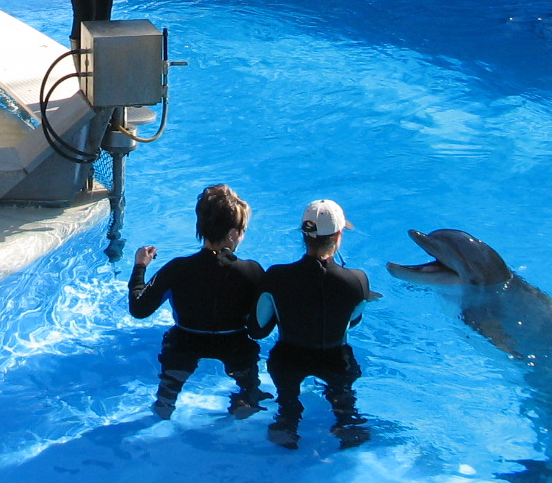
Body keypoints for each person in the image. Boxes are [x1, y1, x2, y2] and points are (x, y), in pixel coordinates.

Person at [128, 184, 269, 420]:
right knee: (247, 371)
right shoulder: (252, 271)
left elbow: (139, 309)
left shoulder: (178, 268)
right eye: (243, 229)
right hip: (234, 341)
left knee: (173, 371)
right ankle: (247, 396)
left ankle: (166, 399)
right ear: (233, 234)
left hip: (186, 339)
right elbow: (259, 327)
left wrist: (140, 266)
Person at [250, 199, 380, 451]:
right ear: (338, 235)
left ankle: (287, 422)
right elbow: (352, 322)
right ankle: (346, 423)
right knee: (344, 401)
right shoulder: (358, 280)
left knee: (287, 402)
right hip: (335, 359)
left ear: (304, 235)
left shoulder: (277, 276)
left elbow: (257, 329)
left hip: (288, 358)